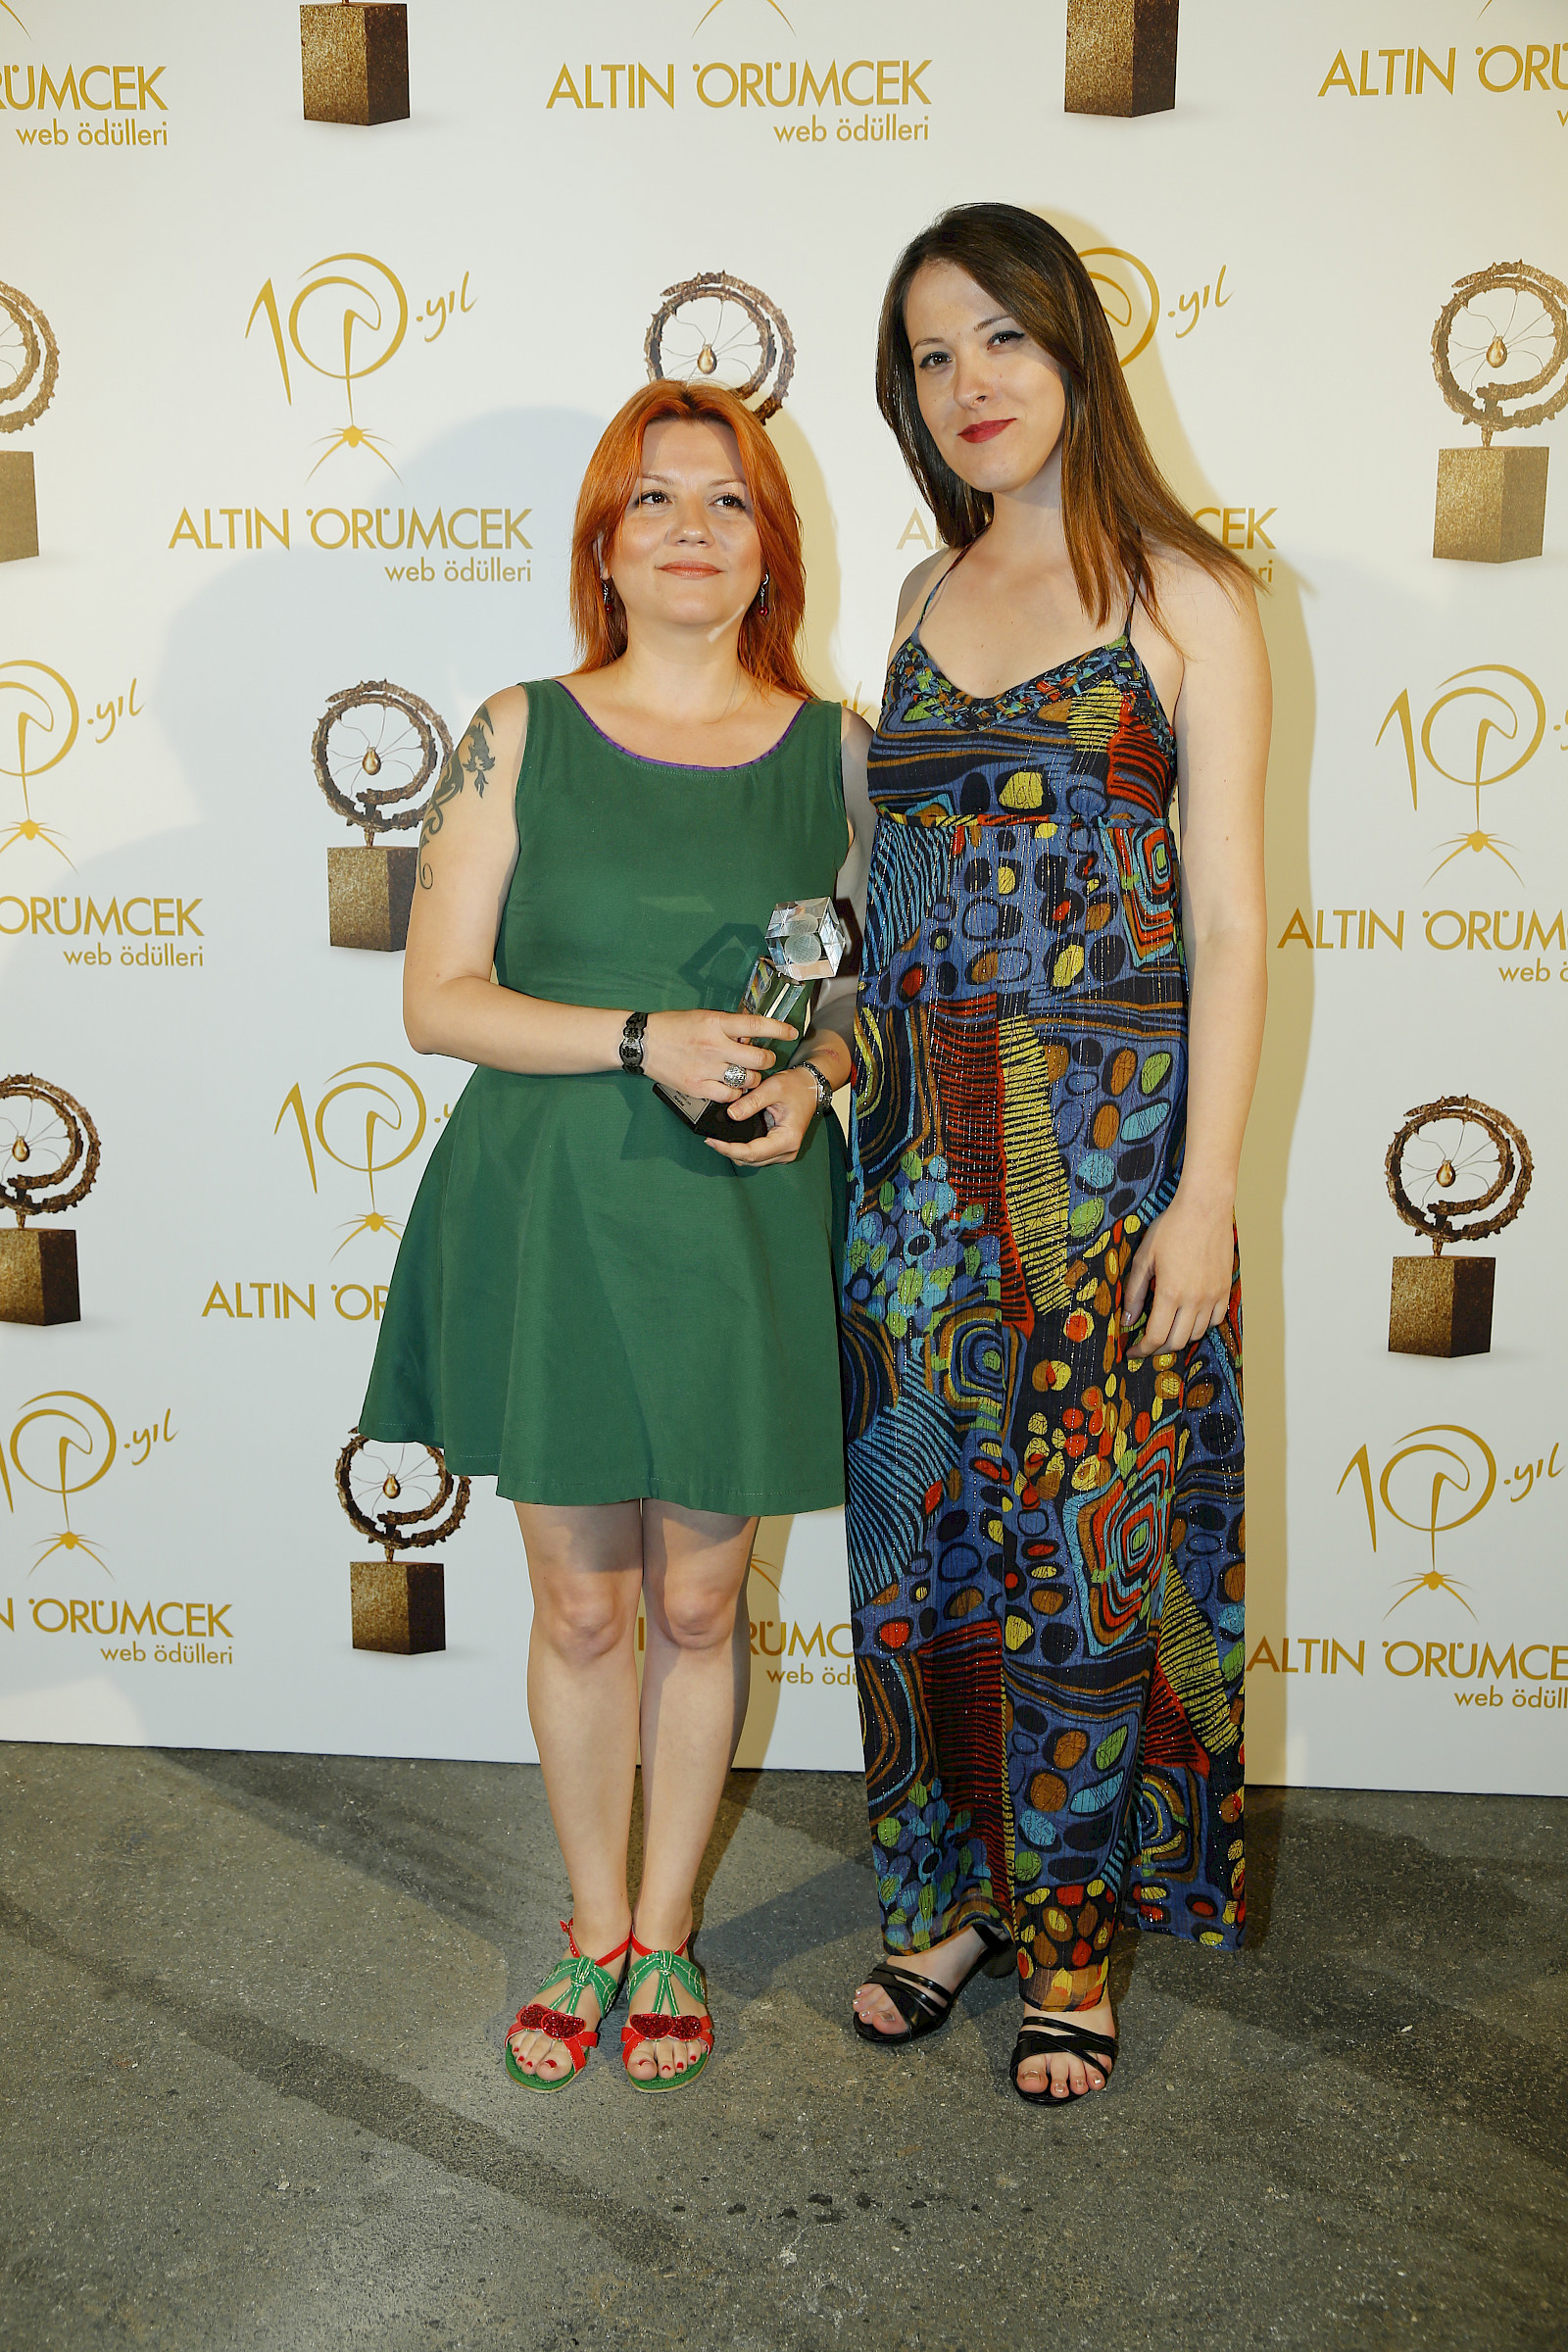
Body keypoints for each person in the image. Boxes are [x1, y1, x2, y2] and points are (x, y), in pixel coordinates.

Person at [358, 380, 869, 2093]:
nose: (690, 529)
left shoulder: (840, 750)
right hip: (557, 1207)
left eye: (726, 501)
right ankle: (590, 1927)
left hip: (736, 1214)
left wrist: (819, 1080)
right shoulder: (518, 729)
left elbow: (871, 994)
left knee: (705, 1601)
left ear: (770, 546)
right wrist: (641, 1036)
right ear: (603, 542)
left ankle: (668, 1933)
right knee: (583, 1608)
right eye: (653, 499)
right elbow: (439, 999)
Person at [841, 203, 1268, 2103]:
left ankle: (1072, 1944)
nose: (969, 384)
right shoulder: (918, 598)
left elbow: (1233, 924)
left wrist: (1207, 1192)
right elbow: (885, 893)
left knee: (1088, 1565)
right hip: (913, 1176)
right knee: (921, 1543)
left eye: (999, 338)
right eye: (931, 357)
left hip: (1109, 1180)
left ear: (1074, 350)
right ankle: (945, 1899)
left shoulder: (1188, 598)